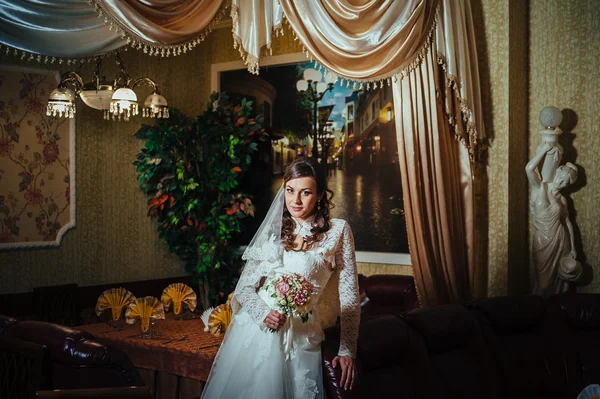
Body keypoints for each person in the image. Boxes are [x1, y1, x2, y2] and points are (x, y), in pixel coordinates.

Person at [201, 157, 360, 398]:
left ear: (319, 195)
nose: (295, 200)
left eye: (305, 192)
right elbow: (245, 289)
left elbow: (349, 294)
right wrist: (264, 313)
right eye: (290, 190)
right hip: (259, 330)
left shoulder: (337, 231)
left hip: (302, 334)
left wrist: (347, 350)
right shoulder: (274, 233)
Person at [526, 142, 579, 296]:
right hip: (542, 240)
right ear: (557, 173)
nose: (560, 183)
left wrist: (573, 247)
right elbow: (529, 169)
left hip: (561, 241)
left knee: (561, 282)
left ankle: (555, 312)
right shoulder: (539, 187)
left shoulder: (562, 199)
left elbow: (567, 222)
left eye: (565, 183)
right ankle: (539, 312)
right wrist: (542, 151)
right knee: (543, 283)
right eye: (560, 178)